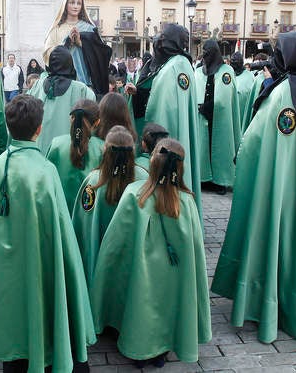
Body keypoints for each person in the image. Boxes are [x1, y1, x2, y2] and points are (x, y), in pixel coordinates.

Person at [0, 95, 96, 373]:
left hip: (6, 262)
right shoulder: (45, 171)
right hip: (39, 260)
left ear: (8, 128)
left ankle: (13, 348)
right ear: (39, 129)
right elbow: (61, 234)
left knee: (11, 296)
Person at [211, 29, 296, 347]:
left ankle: (268, 305)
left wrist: (244, 151)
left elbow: (258, 140)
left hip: (280, 182)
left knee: (276, 235)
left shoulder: (286, 92)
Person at [90, 138, 211, 367]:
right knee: (170, 297)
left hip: (140, 278)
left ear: (153, 163)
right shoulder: (187, 203)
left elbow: (114, 247)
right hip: (173, 280)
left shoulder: (134, 194)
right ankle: (162, 348)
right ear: (180, 169)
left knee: (140, 294)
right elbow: (193, 254)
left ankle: (138, 344)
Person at [126, 23, 202, 219]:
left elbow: (168, 105)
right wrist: (139, 92)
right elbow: (156, 92)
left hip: (171, 134)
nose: (157, 42)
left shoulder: (178, 66)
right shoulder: (171, 64)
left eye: (162, 38)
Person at [71, 126, 147, 284]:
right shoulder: (144, 179)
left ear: (104, 149)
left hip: (98, 266)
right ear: (133, 150)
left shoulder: (93, 182)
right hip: (134, 266)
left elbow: (82, 228)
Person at [28, 46, 96, 153]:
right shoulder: (82, 90)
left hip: (39, 151)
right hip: (69, 154)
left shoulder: (37, 85)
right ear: (70, 64)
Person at [43, 0, 112, 96]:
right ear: (65, 5)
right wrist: (66, 44)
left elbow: (102, 54)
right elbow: (47, 53)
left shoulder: (89, 28)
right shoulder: (57, 29)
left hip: (85, 81)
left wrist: (82, 43)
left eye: (79, 3)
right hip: (63, 83)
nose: (75, 6)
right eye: (72, 2)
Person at [195, 40, 241, 194]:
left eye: (208, 53)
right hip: (203, 117)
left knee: (220, 147)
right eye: (204, 53)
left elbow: (223, 98)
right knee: (203, 146)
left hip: (219, 118)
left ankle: (220, 180)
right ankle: (204, 177)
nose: (205, 56)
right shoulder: (199, 71)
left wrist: (207, 106)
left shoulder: (226, 71)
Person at [45, 99, 105, 213]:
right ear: (97, 122)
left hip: (60, 214)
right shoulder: (102, 148)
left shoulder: (56, 145)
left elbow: (47, 183)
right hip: (89, 216)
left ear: (71, 118)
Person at [231, 52, 255, 132]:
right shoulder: (229, 74)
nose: (234, 63)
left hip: (244, 111)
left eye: (236, 62)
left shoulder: (250, 76)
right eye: (233, 62)